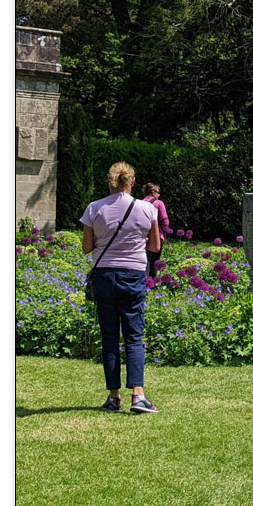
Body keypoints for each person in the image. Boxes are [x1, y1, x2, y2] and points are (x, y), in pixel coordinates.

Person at [81, 161, 162, 414]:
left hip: (104, 275)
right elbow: (155, 247)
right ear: (133, 181)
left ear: (111, 180)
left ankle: (114, 397)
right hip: (133, 275)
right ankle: (138, 396)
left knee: (109, 337)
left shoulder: (94, 208)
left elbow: (86, 248)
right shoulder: (147, 209)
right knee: (134, 336)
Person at [141, 182, 170, 279]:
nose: (159, 195)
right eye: (158, 192)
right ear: (153, 192)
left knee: (144, 260)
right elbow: (165, 221)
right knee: (155, 261)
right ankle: (152, 282)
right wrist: (165, 231)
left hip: (142, 236)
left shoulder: (139, 203)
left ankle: (144, 280)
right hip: (156, 236)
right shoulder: (159, 203)